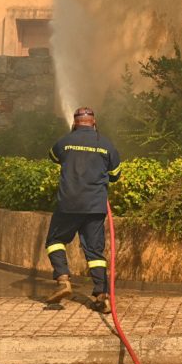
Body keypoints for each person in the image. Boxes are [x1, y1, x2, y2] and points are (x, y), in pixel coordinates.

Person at [43, 106, 121, 313]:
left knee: (55, 241)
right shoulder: (105, 144)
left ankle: (63, 280)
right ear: (94, 123)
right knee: (95, 252)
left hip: (68, 204)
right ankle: (101, 295)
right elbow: (115, 173)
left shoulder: (65, 142)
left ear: (75, 123)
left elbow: (54, 157)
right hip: (95, 206)